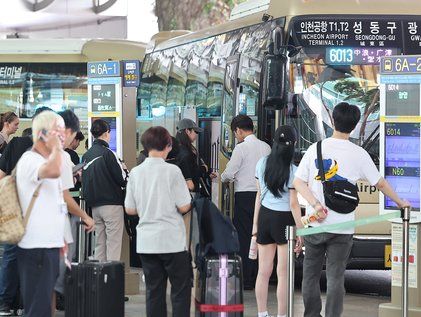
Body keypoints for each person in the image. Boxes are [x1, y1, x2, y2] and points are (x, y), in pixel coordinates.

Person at [293, 102, 410, 317]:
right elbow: (380, 183)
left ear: (333, 122)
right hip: (344, 227)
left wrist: (316, 204)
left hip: (315, 224)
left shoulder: (315, 149)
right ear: (354, 126)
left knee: (310, 275)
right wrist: (400, 202)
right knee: (336, 277)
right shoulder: (359, 154)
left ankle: (311, 315)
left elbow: (299, 182)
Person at [125, 126, 192, 317]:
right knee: (180, 290)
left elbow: (130, 209)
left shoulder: (136, 172)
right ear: (168, 145)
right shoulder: (173, 171)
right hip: (172, 240)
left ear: (145, 146)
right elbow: (184, 206)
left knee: (154, 292)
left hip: (147, 242)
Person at [15, 111, 66, 317]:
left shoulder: (45, 160)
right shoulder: (30, 159)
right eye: (58, 132)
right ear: (44, 134)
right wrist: (56, 147)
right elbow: (54, 171)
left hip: (48, 245)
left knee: (44, 305)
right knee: (38, 307)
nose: (62, 137)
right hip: (35, 247)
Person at [252, 125, 304, 317]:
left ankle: (262, 313)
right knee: (283, 274)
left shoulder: (261, 163)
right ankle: (282, 315)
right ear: (294, 145)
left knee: (263, 272)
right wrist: (301, 230)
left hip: (265, 216)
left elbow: (259, 196)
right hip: (284, 221)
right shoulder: (293, 171)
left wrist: (255, 226)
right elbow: (293, 203)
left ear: (273, 143)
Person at [221, 114, 271, 290]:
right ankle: (259, 276)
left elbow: (229, 172)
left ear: (239, 130)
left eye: (235, 133)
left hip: (244, 197)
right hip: (263, 198)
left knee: (243, 237)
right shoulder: (266, 147)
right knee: (258, 236)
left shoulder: (240, 149)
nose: (236, 136)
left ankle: (245, 279)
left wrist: (222, 177)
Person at [82, 119, 127, 261]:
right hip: (112, 205)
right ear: (107, 133)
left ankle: (100, 280)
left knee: (100, 244)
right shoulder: (108, 153)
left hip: (95, 207)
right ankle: (112, 279)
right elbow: (122, 178)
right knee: (113, 243)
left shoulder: (86, 155)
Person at [176, 118, 214, 196]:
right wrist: (204, 169)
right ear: (187, 131)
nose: (197, 134)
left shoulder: (178, 148)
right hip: (188, 193)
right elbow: (190, 172)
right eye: (195, 131)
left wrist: (206, 173)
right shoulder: (185, 152)